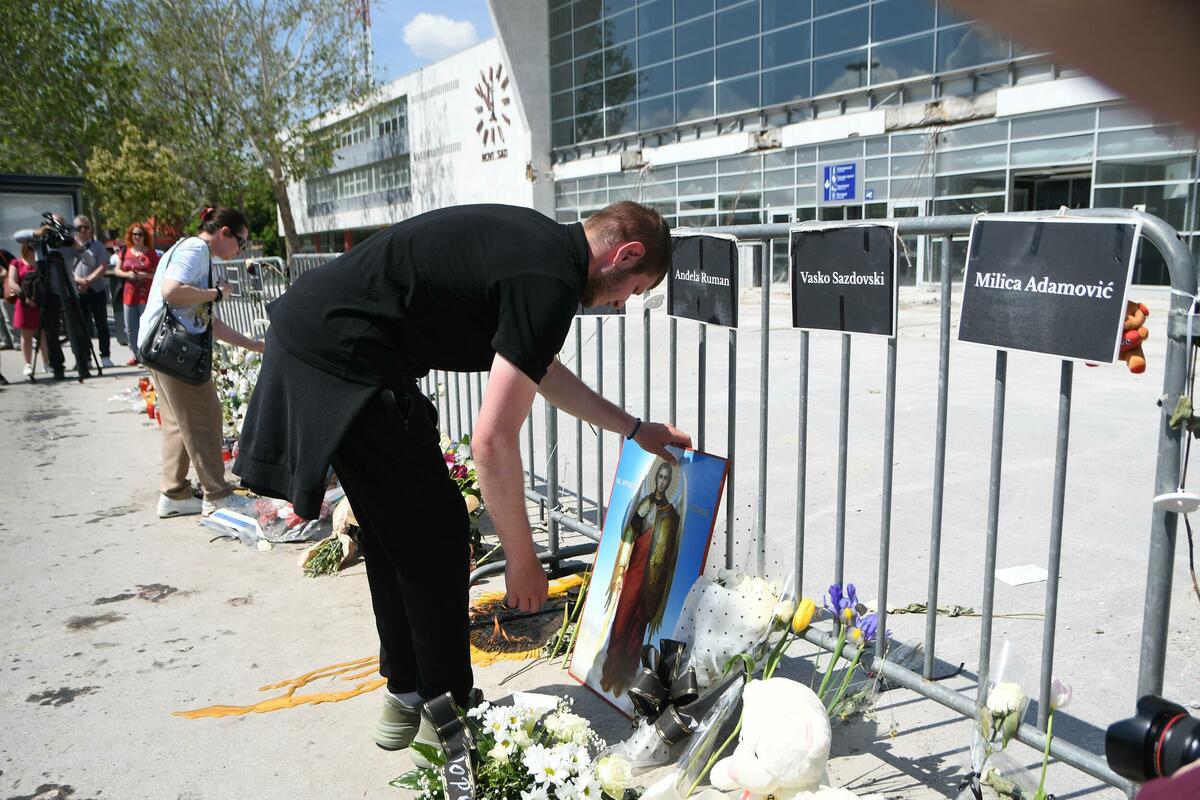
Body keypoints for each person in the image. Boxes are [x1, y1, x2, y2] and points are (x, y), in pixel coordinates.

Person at [233, 201, 691, 759]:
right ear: (626, 253)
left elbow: (542, 370)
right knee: (440, 538)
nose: (622, 303)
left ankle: (406, 695)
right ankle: (446, 714)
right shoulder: (550, 280)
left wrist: (635, 429)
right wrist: (521, 557)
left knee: (395, 534)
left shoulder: (542, 250)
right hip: (347, 359)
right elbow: (492, 440)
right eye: (634, 289)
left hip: (321, 343)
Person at [139, 205, 263, 518]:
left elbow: (207, 322)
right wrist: (216, 294)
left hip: (161, 349)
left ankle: (174, 494)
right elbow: (172, 291)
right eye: (240, 242)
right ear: (224, 232)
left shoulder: (188, 250)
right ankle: (217, 495)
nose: (240, 250)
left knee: (177, 423)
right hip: (175, 352)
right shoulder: (196, 249)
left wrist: (253, 345)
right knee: (205, 418)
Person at [599, 459, 683, 696]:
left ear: (670, 482)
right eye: (660, 477)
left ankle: (626, 676)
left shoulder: (671, 515)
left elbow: (669, 554)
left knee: (638, 624)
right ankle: (610, 672)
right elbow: (630, 532)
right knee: (623, 617)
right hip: (634, 571)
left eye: (666, 478)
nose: (662, 482)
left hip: (651, 581)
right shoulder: (645, 503)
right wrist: (639, 516)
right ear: (655, 478)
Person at [113, 223, 159, 365]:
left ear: (145, 236)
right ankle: (136, 354)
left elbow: (159, 274)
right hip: (129, 294)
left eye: (140, 234)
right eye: (135, 234)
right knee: (130, 328)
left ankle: (147, 355)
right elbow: (117, 270)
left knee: (147, 325)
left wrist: (144, 275)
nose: (137, 237)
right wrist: (127, 274)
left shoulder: (151, 253)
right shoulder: (125, 252)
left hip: (146, 294)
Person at [72, 215, 113, 368]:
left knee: (102, 324)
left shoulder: (98, 246)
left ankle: (105, 356)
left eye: (86, 227)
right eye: (79, 227)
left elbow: (102, 267)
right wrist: (78, 280)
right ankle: (86, 358)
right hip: (78, 292)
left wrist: (88, 281)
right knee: (82, 327)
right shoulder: (70, 246)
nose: (83, 230)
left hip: (97, 291)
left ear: (90, 229)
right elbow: (67, 267)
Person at [4, 245, 49, 378]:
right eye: (30, 248)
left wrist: (39, 299)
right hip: (24, 303)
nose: (32, 251)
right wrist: (25, 297)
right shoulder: (16, 263)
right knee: (26, 335)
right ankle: (27, 364)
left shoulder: (40, 262)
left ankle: (46, 362)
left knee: (42, 334)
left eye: (33, 247)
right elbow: (12, 282)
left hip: (39, 302)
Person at [0, 250, 16, 350]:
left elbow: (15, 265)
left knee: (9, 317)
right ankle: (5, 341)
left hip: (6, 290)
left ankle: (16, 341)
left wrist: (6, 274)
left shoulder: (3, 253)